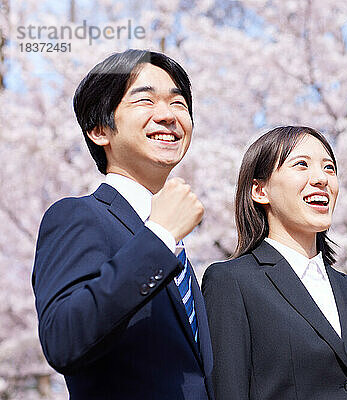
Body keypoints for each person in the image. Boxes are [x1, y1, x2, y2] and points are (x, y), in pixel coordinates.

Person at [202, 126, 347, 399]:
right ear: (260, 191)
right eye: (301, 165)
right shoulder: (232, 282)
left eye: (329, 168)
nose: (320, 179)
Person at [32, 49, 214, 400]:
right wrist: (159, 236)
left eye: (178, 103)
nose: (168, 116)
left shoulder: (174, 241)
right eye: (145, 100)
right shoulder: (78, 217)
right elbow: (63, 338)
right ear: (100, 130)